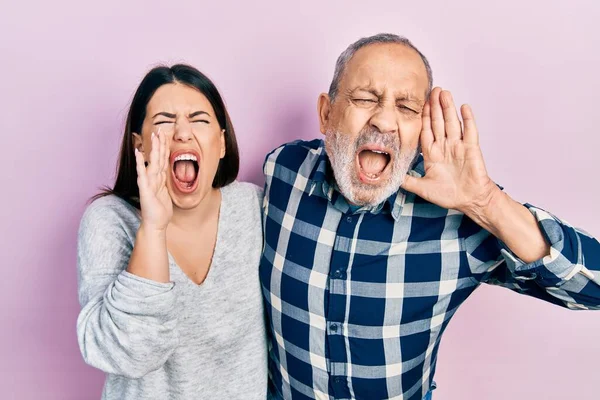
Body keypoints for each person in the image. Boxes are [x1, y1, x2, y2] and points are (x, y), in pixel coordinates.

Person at [260, 33, 600, 400]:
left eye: (406, 108)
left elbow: (593, 288)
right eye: (364, 98)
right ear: (327, 113)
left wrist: (486, 203)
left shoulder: (460, 217)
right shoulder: (282, 172)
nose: (386, 122)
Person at [77, 64, 267, 399]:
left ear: (221, 144)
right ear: (140, 146)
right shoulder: (108, 219)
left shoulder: (253, 206)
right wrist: (153, 226)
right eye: (164, 121)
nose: (181, 132)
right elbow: (129, 354)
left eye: (199, 119)